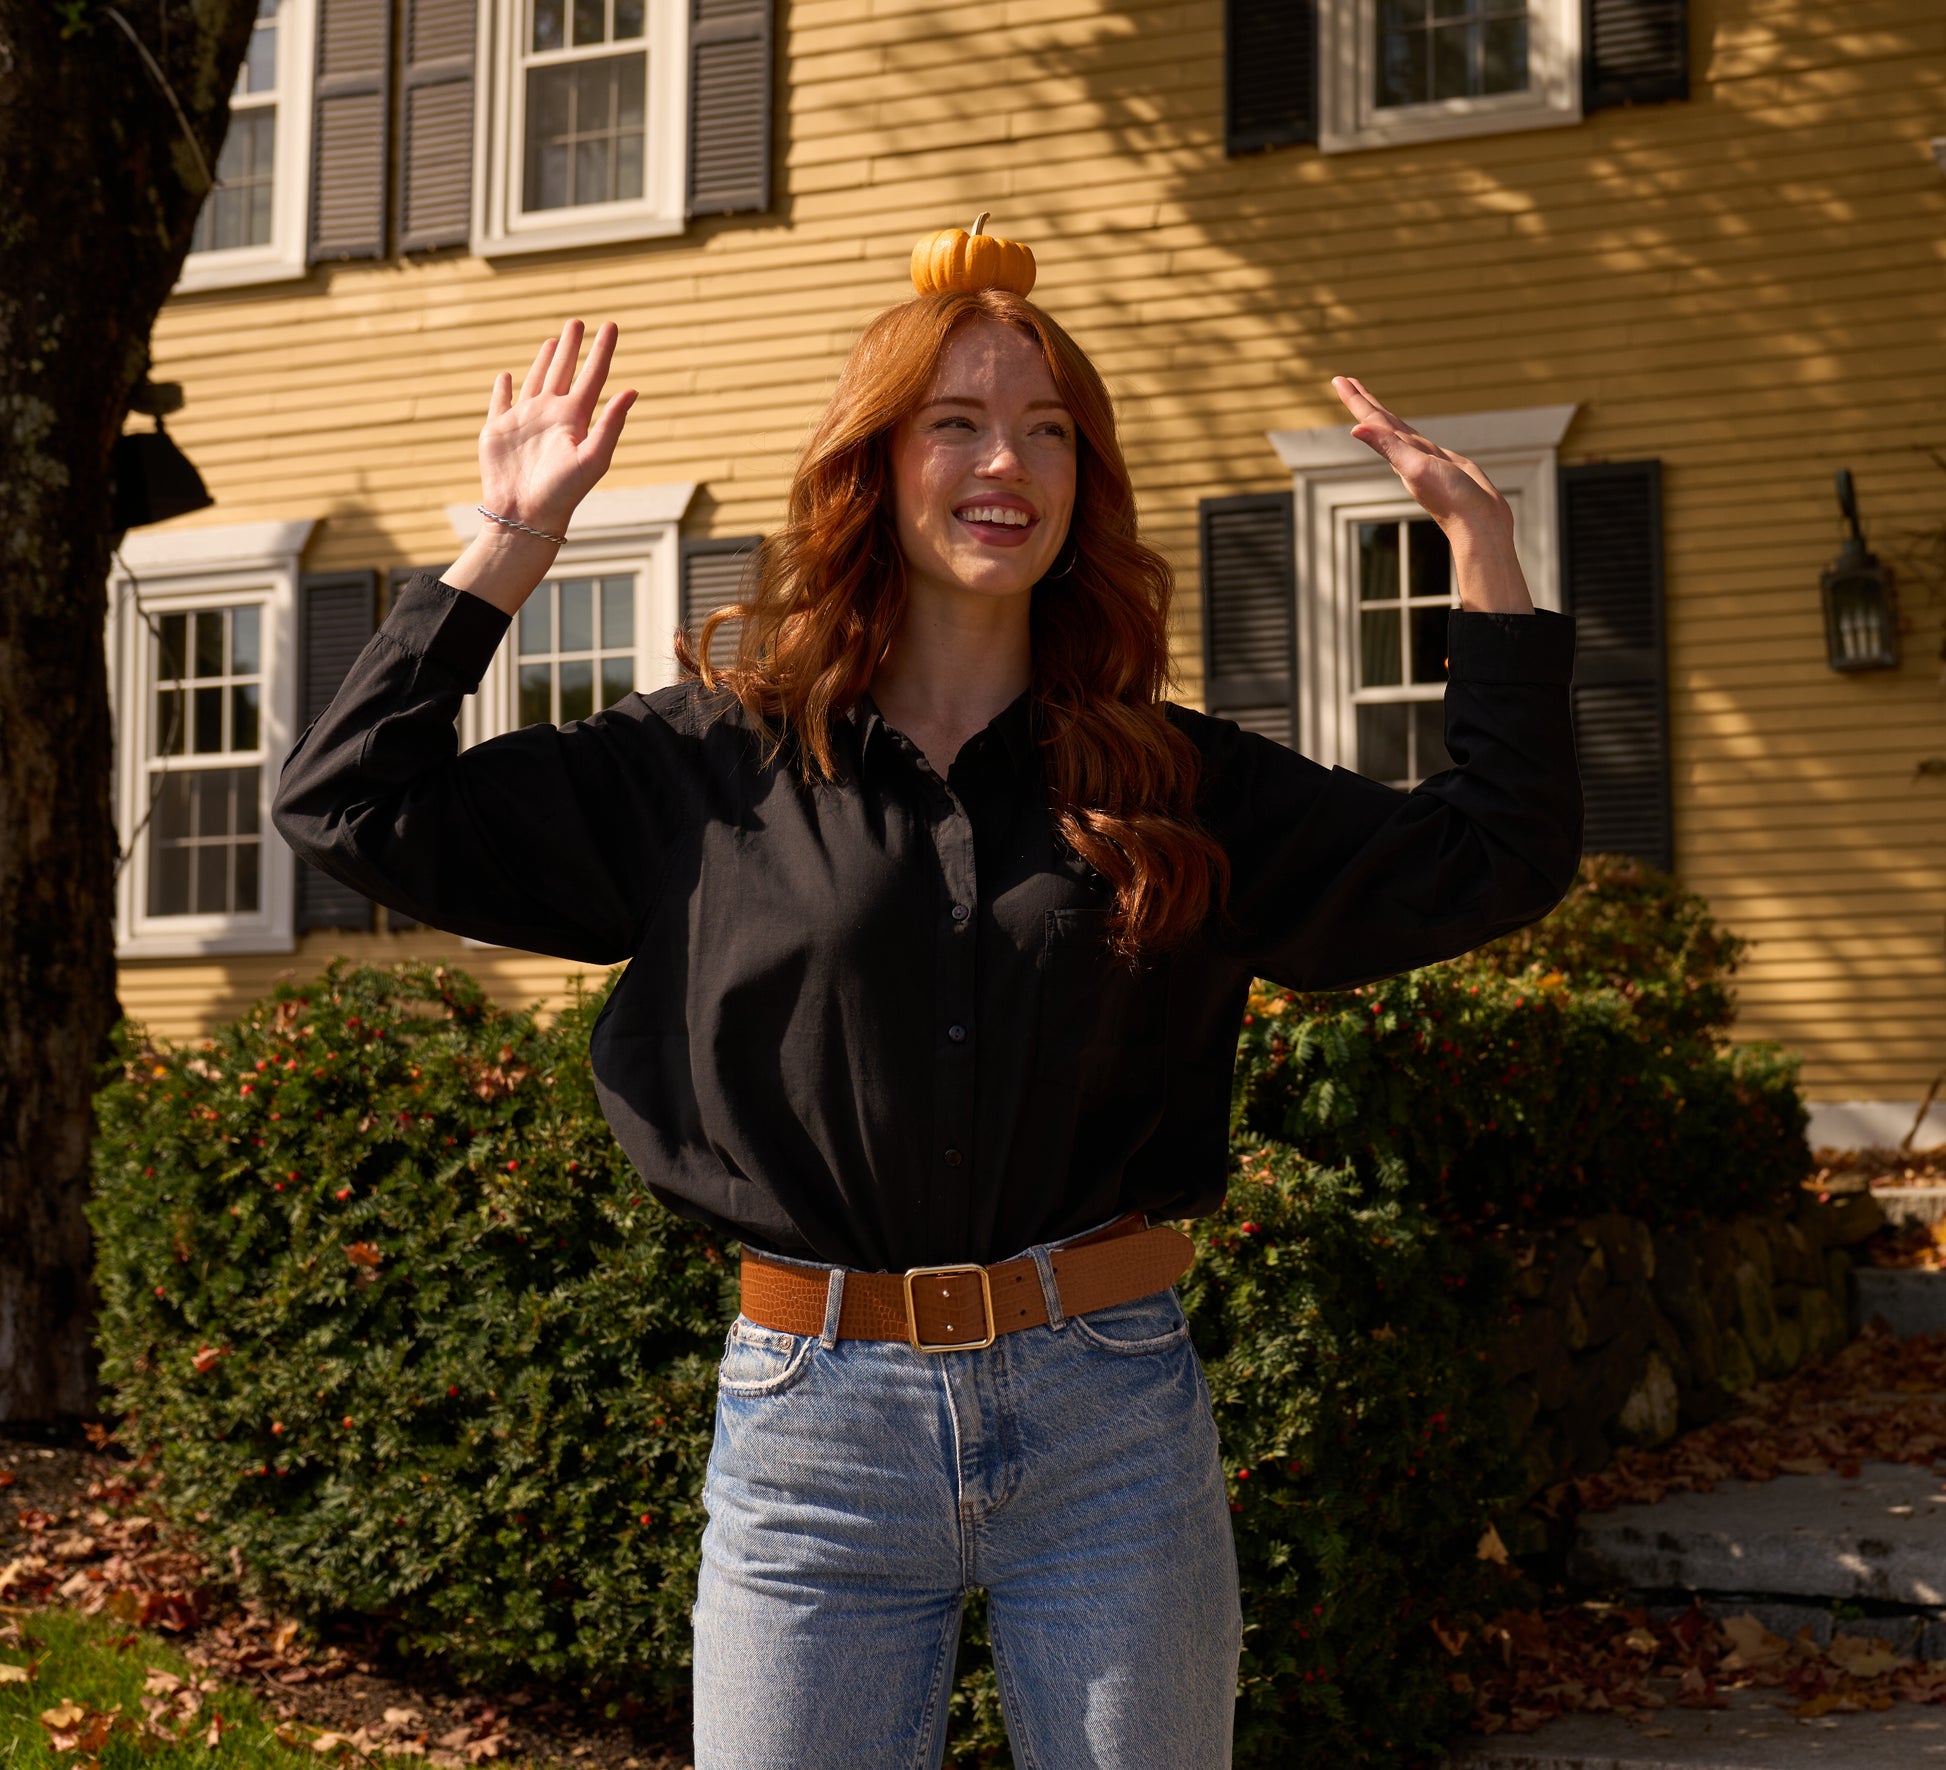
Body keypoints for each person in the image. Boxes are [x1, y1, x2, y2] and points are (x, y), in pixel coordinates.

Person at [274, 235, 1581, 1770]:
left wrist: (1486, 564)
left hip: (1108, 1424)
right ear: (875, 463)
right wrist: (504, 542)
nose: (1003, 461)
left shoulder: (1173, 785)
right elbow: (350, 804)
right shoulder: (706, 767)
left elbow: (1493, 855)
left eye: (1046, 432)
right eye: (955, 420)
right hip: (812, 1428)